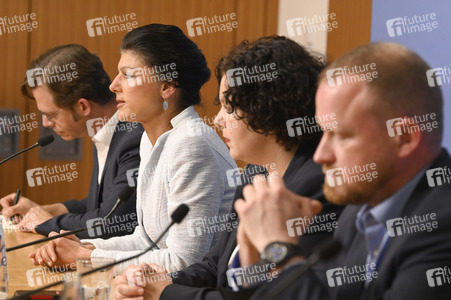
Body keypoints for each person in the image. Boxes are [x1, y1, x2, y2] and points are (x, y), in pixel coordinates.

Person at [113, 36, 343, 299]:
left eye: (228, 107)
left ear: (266, 106)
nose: (219, 120)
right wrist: (153, 283)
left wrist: (167, 294)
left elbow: (262, 295)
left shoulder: (315, 187)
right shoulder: (255, 174)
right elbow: (214, 266)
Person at [233, 42, 451, 299]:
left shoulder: (441, 226)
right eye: (324, 132)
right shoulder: (357, 213)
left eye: (341, 135)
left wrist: (279, 249)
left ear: (403, 137)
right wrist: (255, 263)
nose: (321, 154)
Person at [29, 24, 237, 273]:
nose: (113, 85)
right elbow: (145, 240)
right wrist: (85, 247)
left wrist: (84, 259)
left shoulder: (191, 144)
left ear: (166, 87)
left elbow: (185, 262)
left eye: (127, 75)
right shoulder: (151, 140)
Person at [0, 44, 142, 239]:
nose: (46, 123)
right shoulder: (108, 131)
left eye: (50, 114)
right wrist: (46, 210)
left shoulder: (135, 138)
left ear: (83, 106)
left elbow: (111, 222)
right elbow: (103, 204)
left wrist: (46, 222)